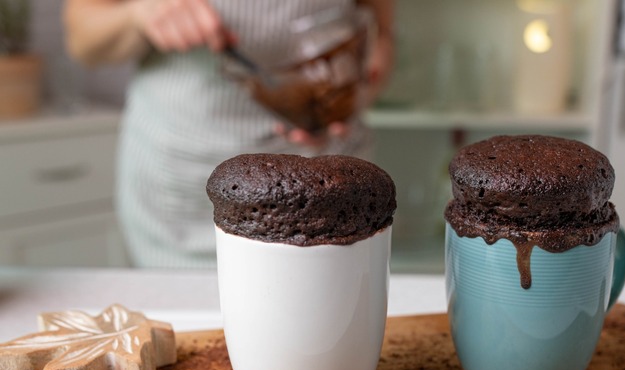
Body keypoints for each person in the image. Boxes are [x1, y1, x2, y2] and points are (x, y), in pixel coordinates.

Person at [63, 0, 394, 268]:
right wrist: (139, 14)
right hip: (186, 179)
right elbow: (83, 39)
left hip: (332, 176)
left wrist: (355, 92)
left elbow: (382, 31)